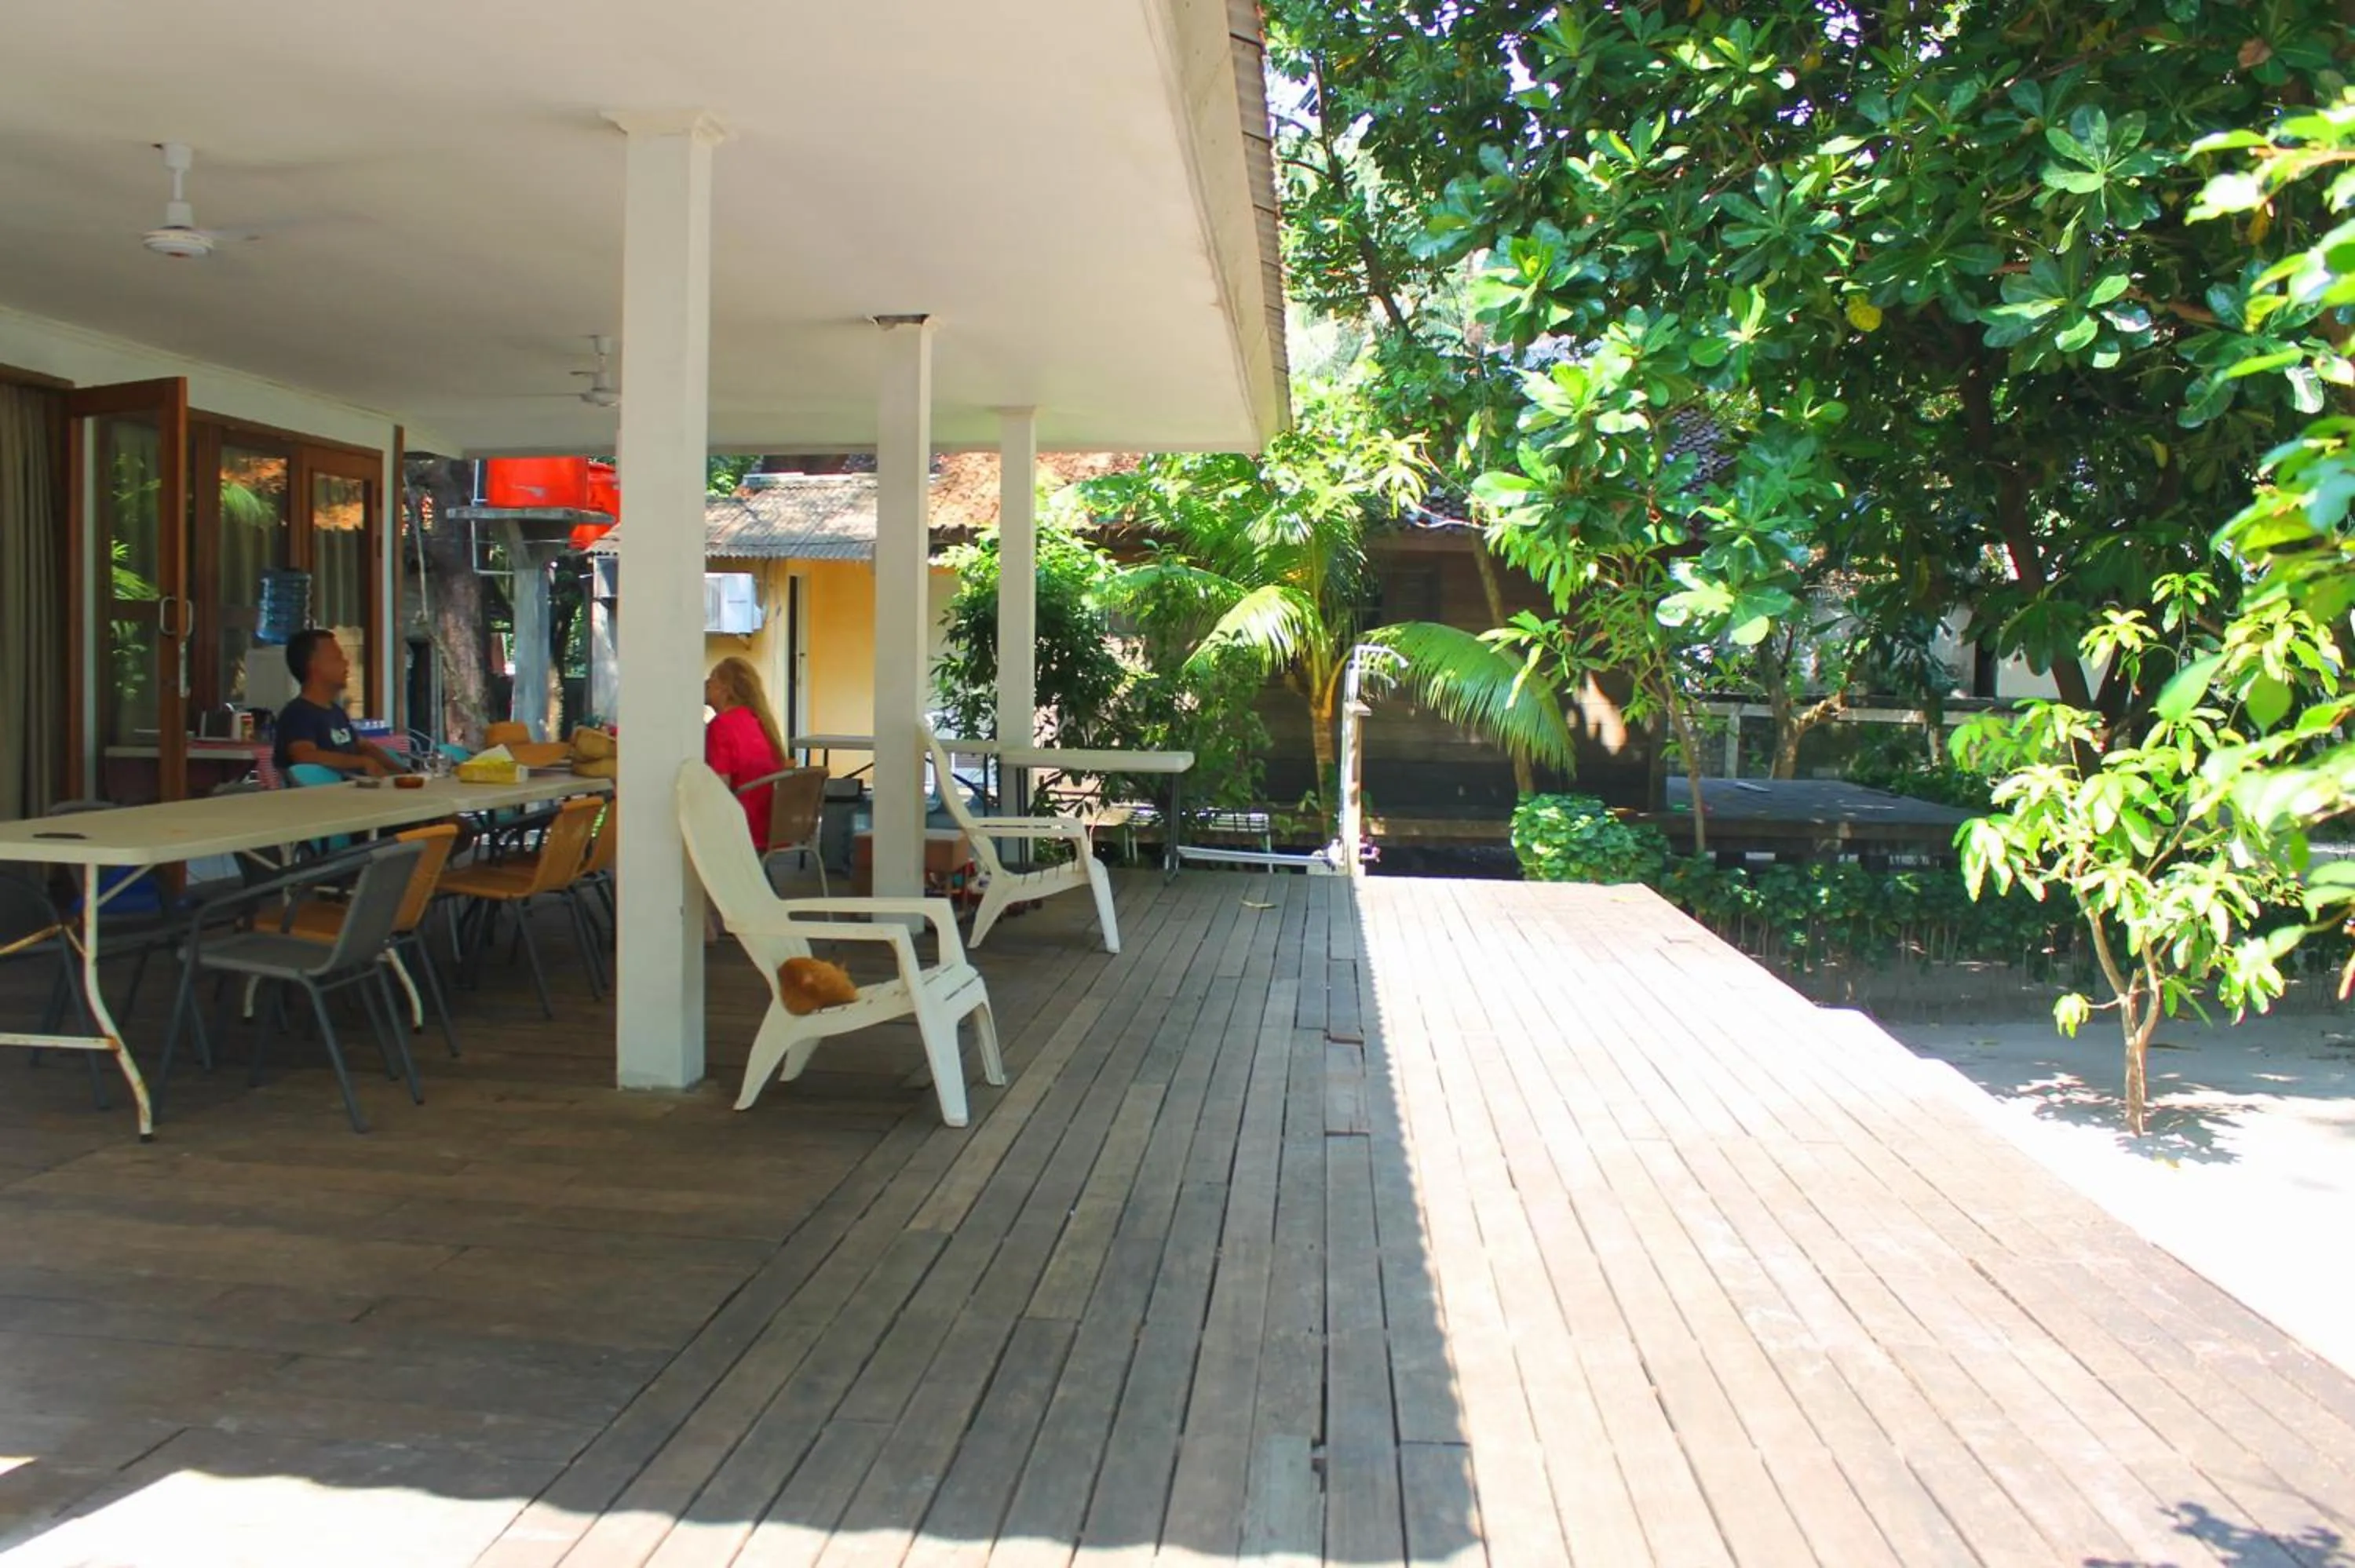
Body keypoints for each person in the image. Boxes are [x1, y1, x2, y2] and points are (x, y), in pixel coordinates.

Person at [274, 629, 405, 778]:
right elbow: (304, 755)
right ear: (314, 666)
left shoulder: (336, 711)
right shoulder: (298, 713)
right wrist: (361, 762)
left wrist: (404, 772)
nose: (346, 663)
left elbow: (363, 746)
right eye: (337, 658)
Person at [703, 655, 788, 844]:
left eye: (712, 679)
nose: (706, 684)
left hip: (741, 826)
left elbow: (719, 787)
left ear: (725, 688)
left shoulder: (722, 726)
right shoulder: (759, 721)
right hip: (771, 824)